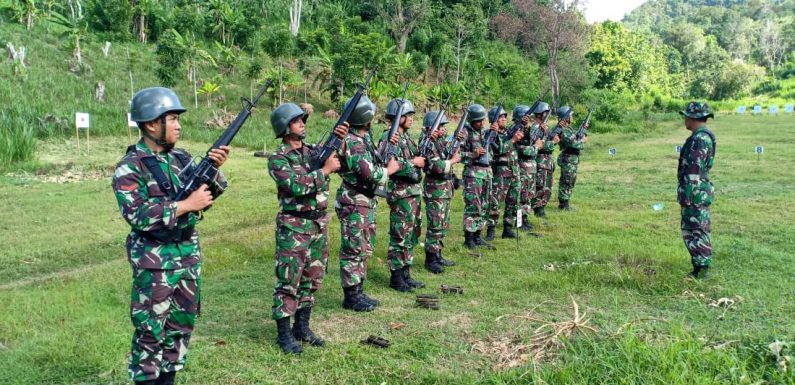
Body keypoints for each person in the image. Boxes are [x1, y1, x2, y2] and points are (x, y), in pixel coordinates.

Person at [113, 87, 230, 385]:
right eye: (173, 118)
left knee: (180, 329)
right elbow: (137, 214)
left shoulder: (181, 158)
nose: (179, 125)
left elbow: (210, 193)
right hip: (154, 262)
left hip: (187, 256)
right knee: (150, 333)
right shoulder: (130, 166)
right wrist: (185, 205)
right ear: (152, 124)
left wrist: (214, 169)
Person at [267, 103, 348, 353]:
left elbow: (341, 164)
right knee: (289, 279)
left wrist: (340, 141)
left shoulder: (313, 151)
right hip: (294, 226)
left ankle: (301, 327)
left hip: (318, 223)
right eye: (296, 121)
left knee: (312, 278)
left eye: (303, 119)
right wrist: (324, 170)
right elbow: (296, 186)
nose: (302, 124)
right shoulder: (278, 158)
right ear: (284, 127)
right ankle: (284, 334)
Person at [336, 95, 399, 311]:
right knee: (353, 248)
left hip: (364, 200)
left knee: (363, 246)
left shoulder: (362, 138)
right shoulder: (353, 142)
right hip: (355, 200)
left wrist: (389, 145)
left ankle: (359, 290)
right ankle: (351, 296)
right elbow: (367, 172)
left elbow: (373, 160)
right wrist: (388, 171)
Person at [419, 110, 462, 273]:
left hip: (444, 188)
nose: (443, 128)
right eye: (440, 126)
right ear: (431, 127)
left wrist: (457, 140)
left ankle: (438, 254)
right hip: (435, 188)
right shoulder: (427, 142)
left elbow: (449, 152)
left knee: (443, 224)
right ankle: (430, 259)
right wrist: (453, 161)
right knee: (435, 225)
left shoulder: (439, 141)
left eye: (444, 126)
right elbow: (436, 166)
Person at [677, 102, 716, 279]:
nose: (684, 119)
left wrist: (688, 195)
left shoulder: (699, 139)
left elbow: (695, 169)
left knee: (697, 229)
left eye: (686, 116)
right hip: (697, 190)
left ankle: (702, 269)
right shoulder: (701, 136)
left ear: (693, 118)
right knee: (694, 228)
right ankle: (699, 267)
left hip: (695, 192)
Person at [485, 106, 523, 240]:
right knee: (495, 202)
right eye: (500, 117)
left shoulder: (509, 131)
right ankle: (491, 230)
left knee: (514, 201)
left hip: (514, 171)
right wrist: (513, 140)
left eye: (505, 117)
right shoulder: (491, 134)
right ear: (493, 120)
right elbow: (499, 150)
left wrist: (524, 125)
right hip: (500, 173)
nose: (504, 119)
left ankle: (508, 228)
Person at [459, 104, 493, 249]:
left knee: (484, 205)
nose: (482, 122)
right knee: (473, 206)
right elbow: (456, 154)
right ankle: (469, 238)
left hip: (486, 173)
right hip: (473, 175)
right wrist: (473, 154)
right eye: (479, 120)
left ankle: (478, 236)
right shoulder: (464, 133)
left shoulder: (485, 132)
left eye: (483, 120)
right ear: (472, 121)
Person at [513, 105, 544, 232]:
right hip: (522, 166)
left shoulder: (526, 129)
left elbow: (533, 139)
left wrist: (542, 132)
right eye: (526, 118)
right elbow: (523, 149)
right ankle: (519, 221)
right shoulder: (515, 130)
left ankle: (525, 218)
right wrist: (536, 147)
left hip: (530, 167)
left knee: (529, 194)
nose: (529, 120)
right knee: (522, 195)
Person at [555, 105, 588, 210]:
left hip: (571, 159)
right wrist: (582, 141)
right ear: (566, 117)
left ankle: (564, 203)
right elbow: (573, 143)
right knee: (567, 181)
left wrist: (583, 130)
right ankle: (564, 204)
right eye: (570, 115)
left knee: (569, 180)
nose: (572, 117)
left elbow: (574, 138)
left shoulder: (567, 129)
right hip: (568, 159)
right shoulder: (564, 130)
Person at [531, 102, 559, 218]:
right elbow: (538, 145)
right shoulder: (535, 128)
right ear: (539, 114)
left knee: (547, 186)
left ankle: (542, 206)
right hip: (540, 160)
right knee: (540, 185)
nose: (547, 114)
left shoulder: (545, 127)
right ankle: (538, 208)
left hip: (547, 161)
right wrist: (553, 143)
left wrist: (548, 133)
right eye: (545, 112)